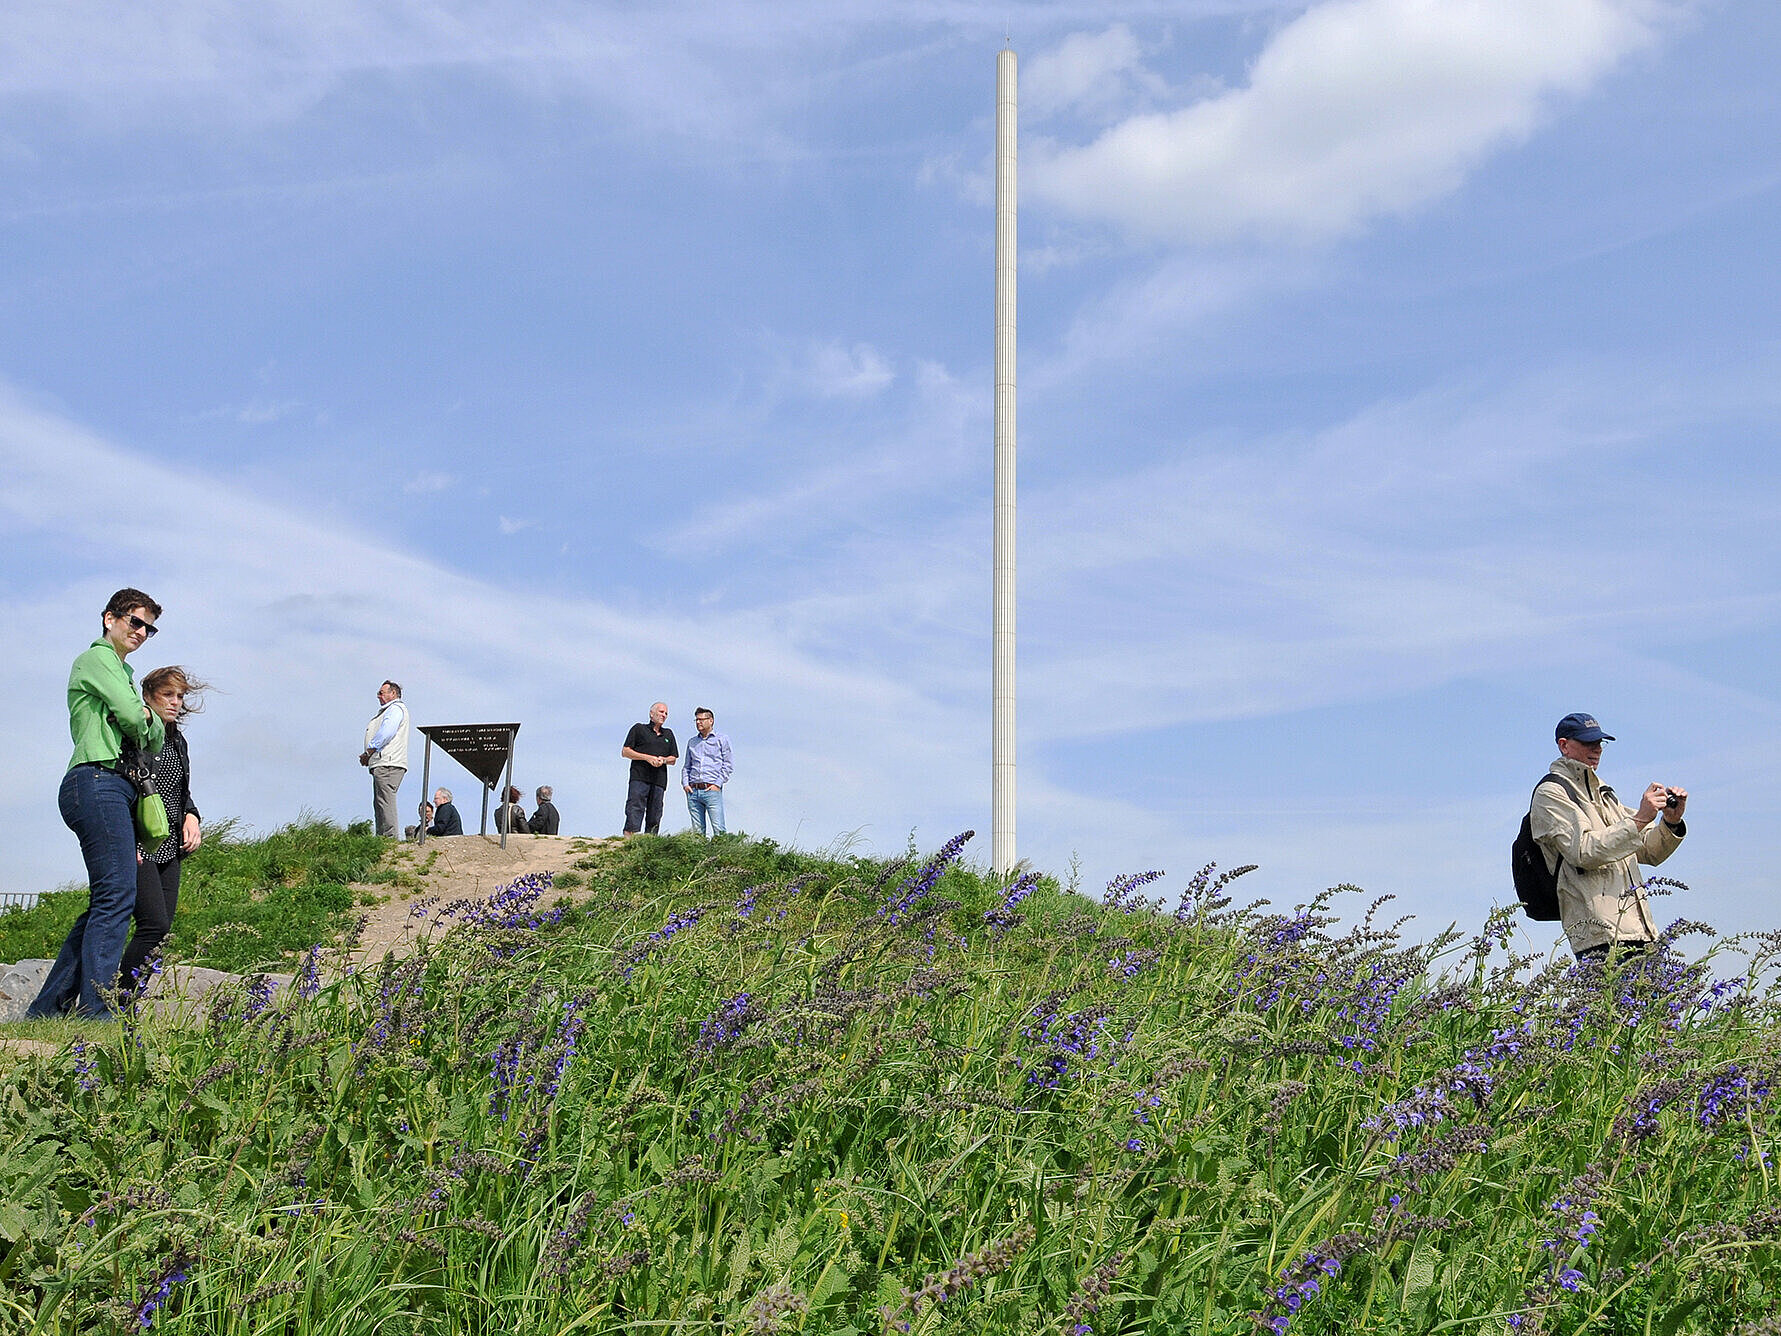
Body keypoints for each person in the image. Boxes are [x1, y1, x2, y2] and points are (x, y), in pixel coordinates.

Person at [28, 589, 168, 1019]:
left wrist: (146, 718)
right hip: (95, 779)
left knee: (109, 898)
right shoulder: (96, 661)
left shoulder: (124, 673)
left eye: (149, 627)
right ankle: (97, 1011)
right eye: (135, 621)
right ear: (110, 619)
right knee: (117, 896)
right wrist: (141, 716)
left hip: (116, 786)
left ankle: (47, 1009)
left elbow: (156, 736)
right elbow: (133, 717)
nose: (141, 632)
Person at [1529, 712, 1688, 962]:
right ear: (1564, 745)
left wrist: (1671, 821)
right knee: (1613, 1002)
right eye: (1588, 742)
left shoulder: (1603, 793)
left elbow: (1649, 851)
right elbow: (1583, 851)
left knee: (1652, 1001)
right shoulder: (1551, 793)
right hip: (1598, 936)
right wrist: (1641, 818)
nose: (1597, 749)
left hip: (1641, 931)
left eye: (1599, 743)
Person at [119, 666, 207, 995]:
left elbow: (180, 792)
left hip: (170, 843)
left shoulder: (178, 741)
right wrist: (128, 839)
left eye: (180, 696)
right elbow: (124, 788)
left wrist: (192, 816)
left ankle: (127, 1003)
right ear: (148, 697)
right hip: (140, 841)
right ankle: (120, 999)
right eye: (167, 695)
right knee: (152, 923)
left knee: (162, 930)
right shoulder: (137, 736)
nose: (175, 703)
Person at [359, 680, 410, 838]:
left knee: (385, 801)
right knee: (380, 801)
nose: (378, 696)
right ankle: (383, 837)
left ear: (393, 693)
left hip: (388, 762)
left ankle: (389, 838)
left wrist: (369, 752)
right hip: (384, 761)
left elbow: (386, 733)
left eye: (381, 693)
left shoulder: (395, 709)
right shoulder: (390, 710)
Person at [621, 702, 677, 835]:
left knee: (655, 812)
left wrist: (663, 760)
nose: (664, 715)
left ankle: (651, 840)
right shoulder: (639, 729)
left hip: (659, 780)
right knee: (635, 807)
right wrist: (647, 758)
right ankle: (629, 838)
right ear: (652, 713)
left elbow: (673, 758)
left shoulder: (668, 734)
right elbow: (625, 751)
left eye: (666, 713)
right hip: (639, 777)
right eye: (661, 712)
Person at [682, 707, 733, 837]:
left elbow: (727, 765)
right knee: (698, 832)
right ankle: (700, 857)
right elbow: (687, 766)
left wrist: (717, 784)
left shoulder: (722, 739)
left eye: (701, 719)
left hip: (711, 789)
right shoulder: (692, 742)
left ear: (711, 721)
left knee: (718, 829)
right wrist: (686, 784)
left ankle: (722, 856)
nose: (698, 722)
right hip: (693, 790)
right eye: (696, 720)